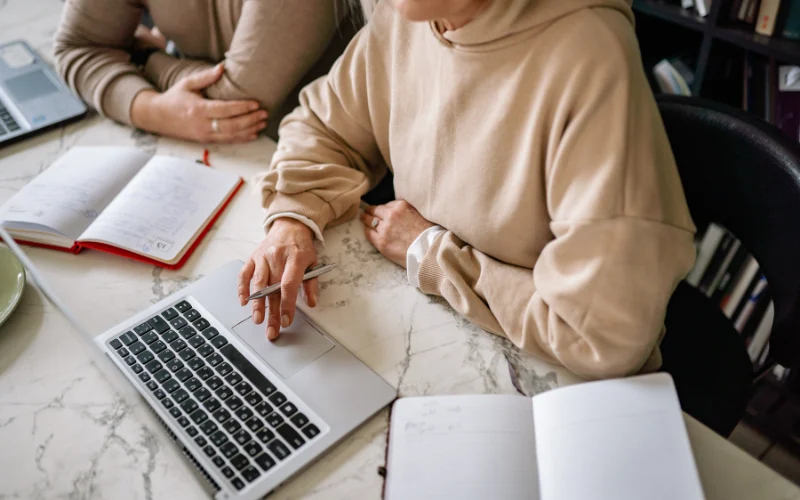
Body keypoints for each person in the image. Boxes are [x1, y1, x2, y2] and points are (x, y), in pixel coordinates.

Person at [238, 0, 697, 380]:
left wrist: (433, 255)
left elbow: (604, 336)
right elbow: (323, 126)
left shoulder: (588, 54)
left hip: (553, 376)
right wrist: (292, 219)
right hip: (437, 333)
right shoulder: (407, 14)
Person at [53, 0, 356, 143]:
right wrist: (152, 109)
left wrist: (145, 57)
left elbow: (237, 106)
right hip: (213, 155)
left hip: (313, 163)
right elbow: (77, 47)